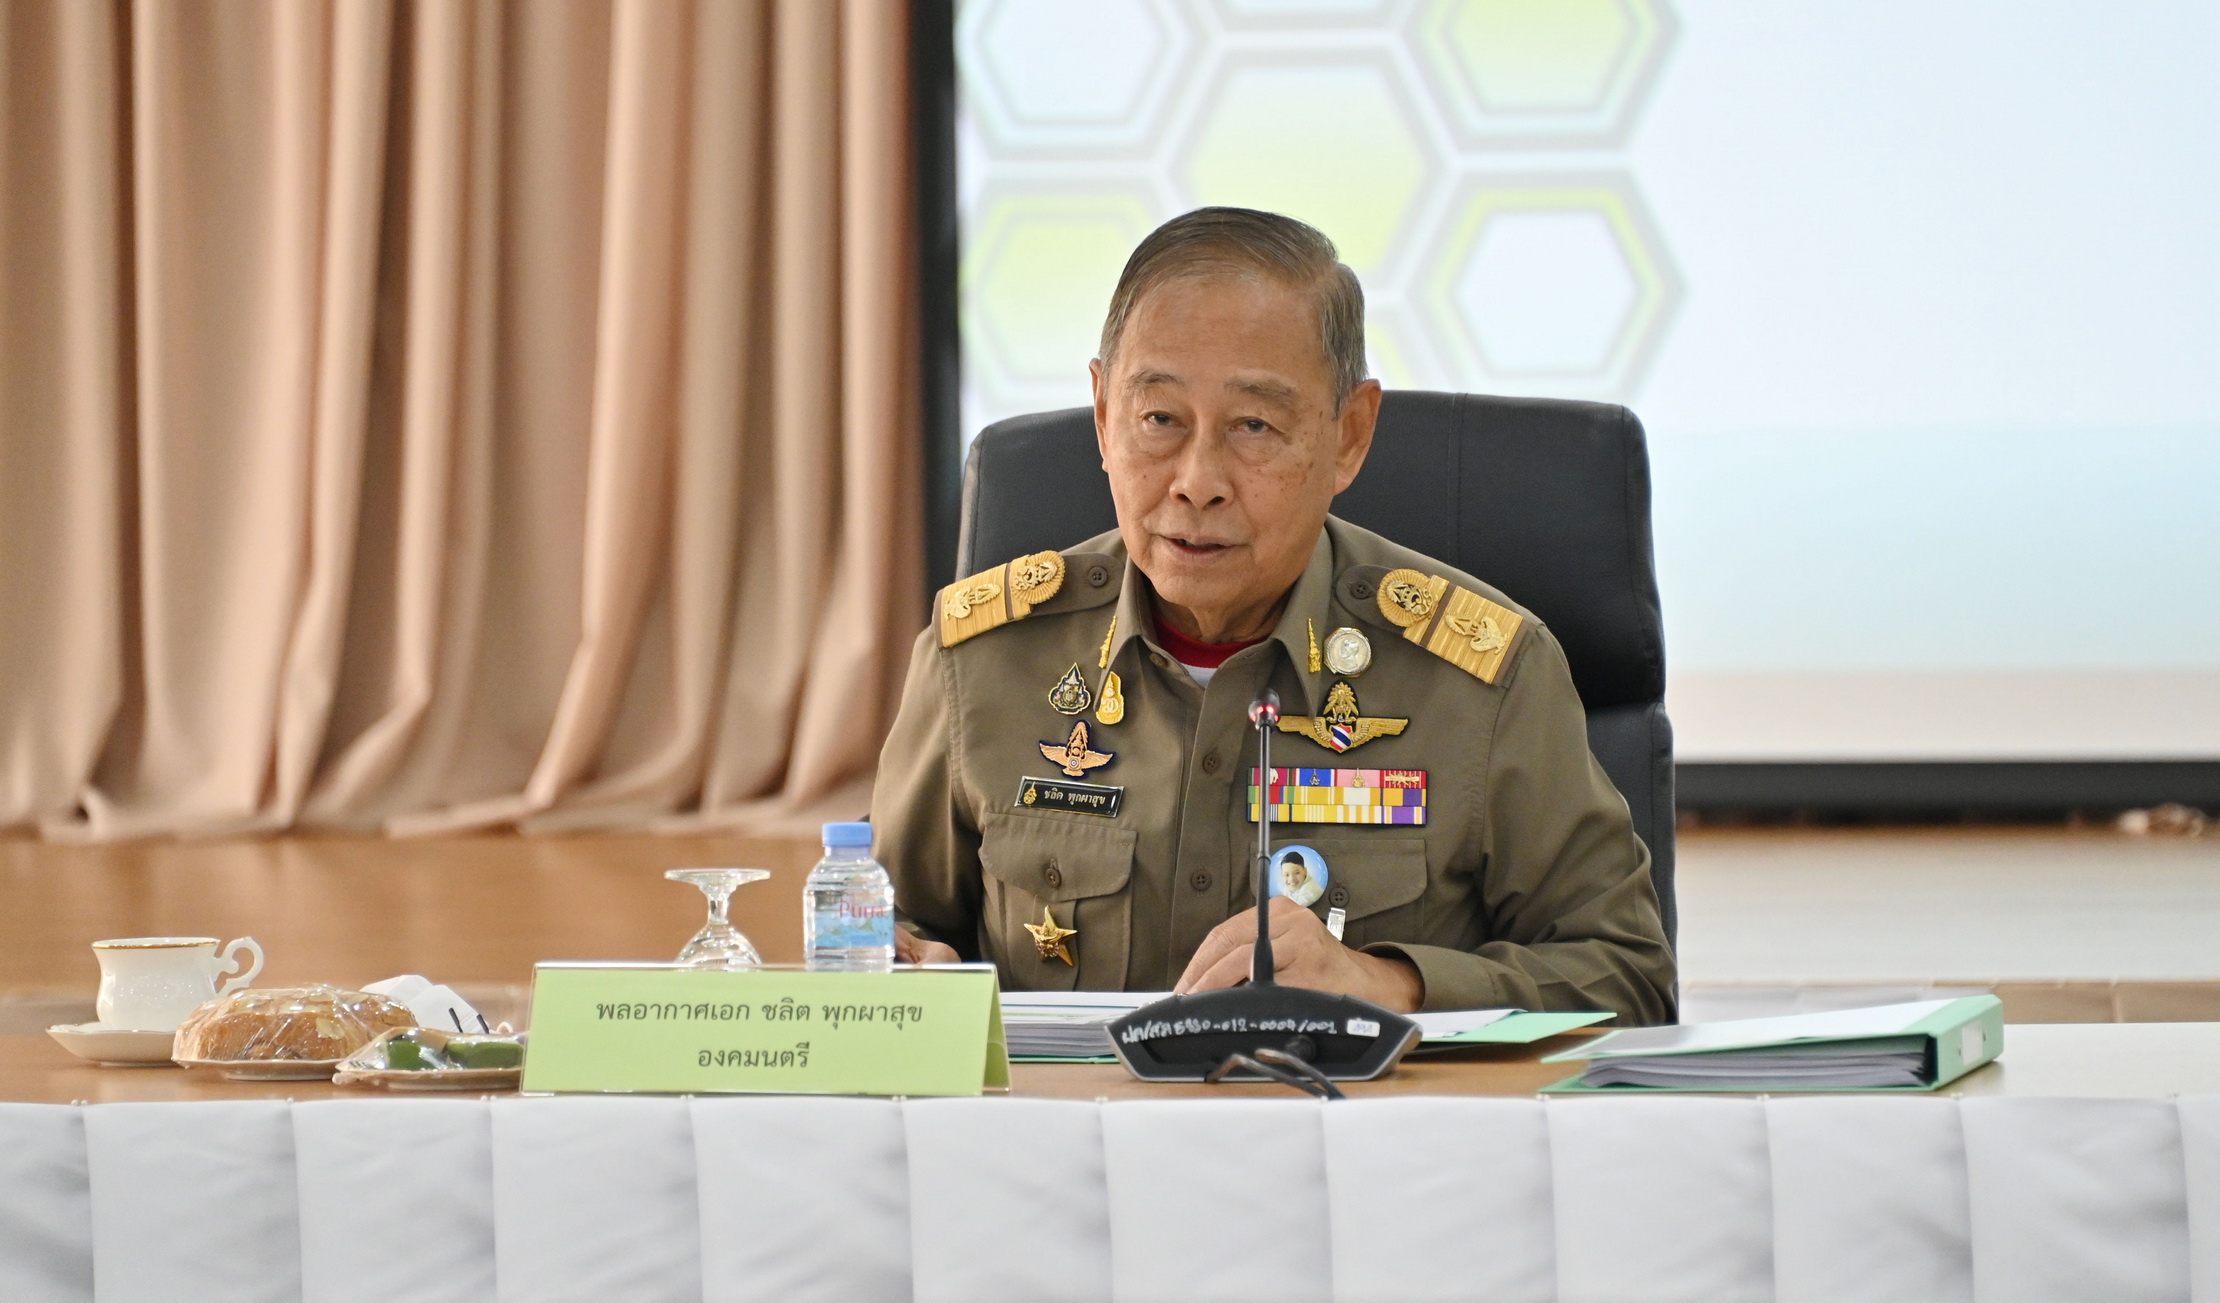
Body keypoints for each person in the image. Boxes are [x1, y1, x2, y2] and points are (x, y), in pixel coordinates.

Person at [871, 207, 1675, 1023]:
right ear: (1104, 416)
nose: (1197, 481)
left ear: (1350, 436)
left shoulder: (1486, 679)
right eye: (1159, 419)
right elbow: (887, 927)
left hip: (1349, 1110)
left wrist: (1388, 984)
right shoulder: (979, 661)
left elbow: (1629, 977)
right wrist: (900, 965)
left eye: (1254, 425)